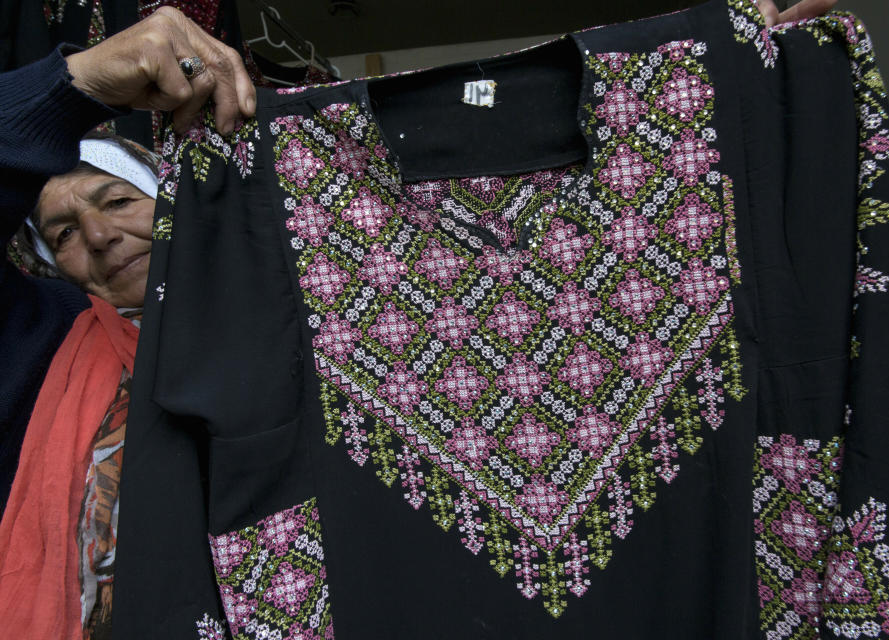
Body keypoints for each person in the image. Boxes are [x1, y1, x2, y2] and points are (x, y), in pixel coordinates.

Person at [0, 1, 837, 637]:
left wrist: (778, 84)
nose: (101, 238)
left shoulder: (260, 246)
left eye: (115, 200)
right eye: (64, 233)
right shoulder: (37, 343)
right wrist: (62, 91)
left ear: (170, 200)